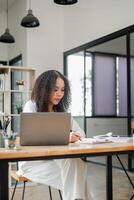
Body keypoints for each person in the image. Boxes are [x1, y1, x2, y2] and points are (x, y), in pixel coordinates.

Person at [17, 70, 92, 200]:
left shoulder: (60, 112)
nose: (59, 94)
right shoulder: (31, 106)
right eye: (55, 89)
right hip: (33, 163)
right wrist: (63, 137)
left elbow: (82, 134)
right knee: (76, 174)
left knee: (77, 166)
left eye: (62, 90)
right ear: (44, 89)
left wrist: (73, 135)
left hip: (56, 161)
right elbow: (31, 136)